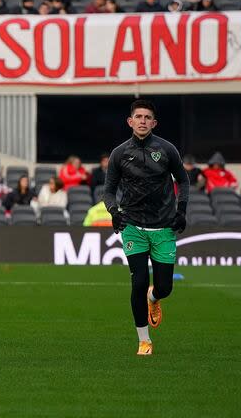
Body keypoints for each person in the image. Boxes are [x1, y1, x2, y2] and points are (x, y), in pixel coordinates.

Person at [103, 99, 189, 356]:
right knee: (138, 282)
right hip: (133, 226)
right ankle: (144, 341)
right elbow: (108, 190)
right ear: (130, 122)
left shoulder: (167, 149)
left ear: (154, 123)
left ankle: (155, 298)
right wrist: (114, 212)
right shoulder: (119, 153)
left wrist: (181, 212)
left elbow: (183, 182)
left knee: (164, 288)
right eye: (137, 116)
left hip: (163, 227)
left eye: (146, 117)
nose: (142, 120)